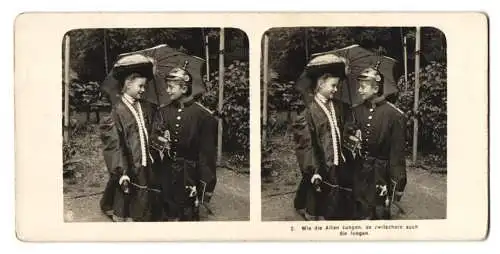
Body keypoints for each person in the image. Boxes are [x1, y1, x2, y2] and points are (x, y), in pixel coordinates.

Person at [150, 61, 217, 221]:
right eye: (167, 86)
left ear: (184, 88)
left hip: (190, 172)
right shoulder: (162, 111)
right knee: (166, 211)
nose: (167, 90)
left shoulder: (203, 116)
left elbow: (207, 155)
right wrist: (161, 141)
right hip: (166, 170)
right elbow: (153, 137)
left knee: (187, 214)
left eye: (171, 87)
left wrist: (202, 186)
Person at [292, 54, 353, 220]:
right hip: (319, 162)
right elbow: (306, 146)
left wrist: (351, 134)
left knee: (335, 192)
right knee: (317, 191)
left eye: (337, 86)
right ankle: (313, 213)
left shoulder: (338, 107)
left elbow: (341, 130)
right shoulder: (308, 113)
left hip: (335, 158)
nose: (335, 89)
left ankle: (329, 213)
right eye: (333, 85)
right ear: (320, 84)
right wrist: (312, 169)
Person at [99, 54, 157, 222]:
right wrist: (121, 170)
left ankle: (141, 214)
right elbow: (113, 145)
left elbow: (147, 131)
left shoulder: (144, 107)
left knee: (144, 189)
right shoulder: (117, 111)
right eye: (140, 86)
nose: (143, 90)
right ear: (128, 83)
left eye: (144, 86)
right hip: (127, 162)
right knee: (126, 191)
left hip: (143, 159)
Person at [349, 62, 408, 220]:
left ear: (376, 89)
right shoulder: (356, 110)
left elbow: (397, 154)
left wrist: (398, 183)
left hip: (381, 173)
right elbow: (347, 135)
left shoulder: (395, 115)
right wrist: (353, 137)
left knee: (380, 215)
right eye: (359, 86)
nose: (359, 90)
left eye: (363, 87)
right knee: (361, 211)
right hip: (360, 170)